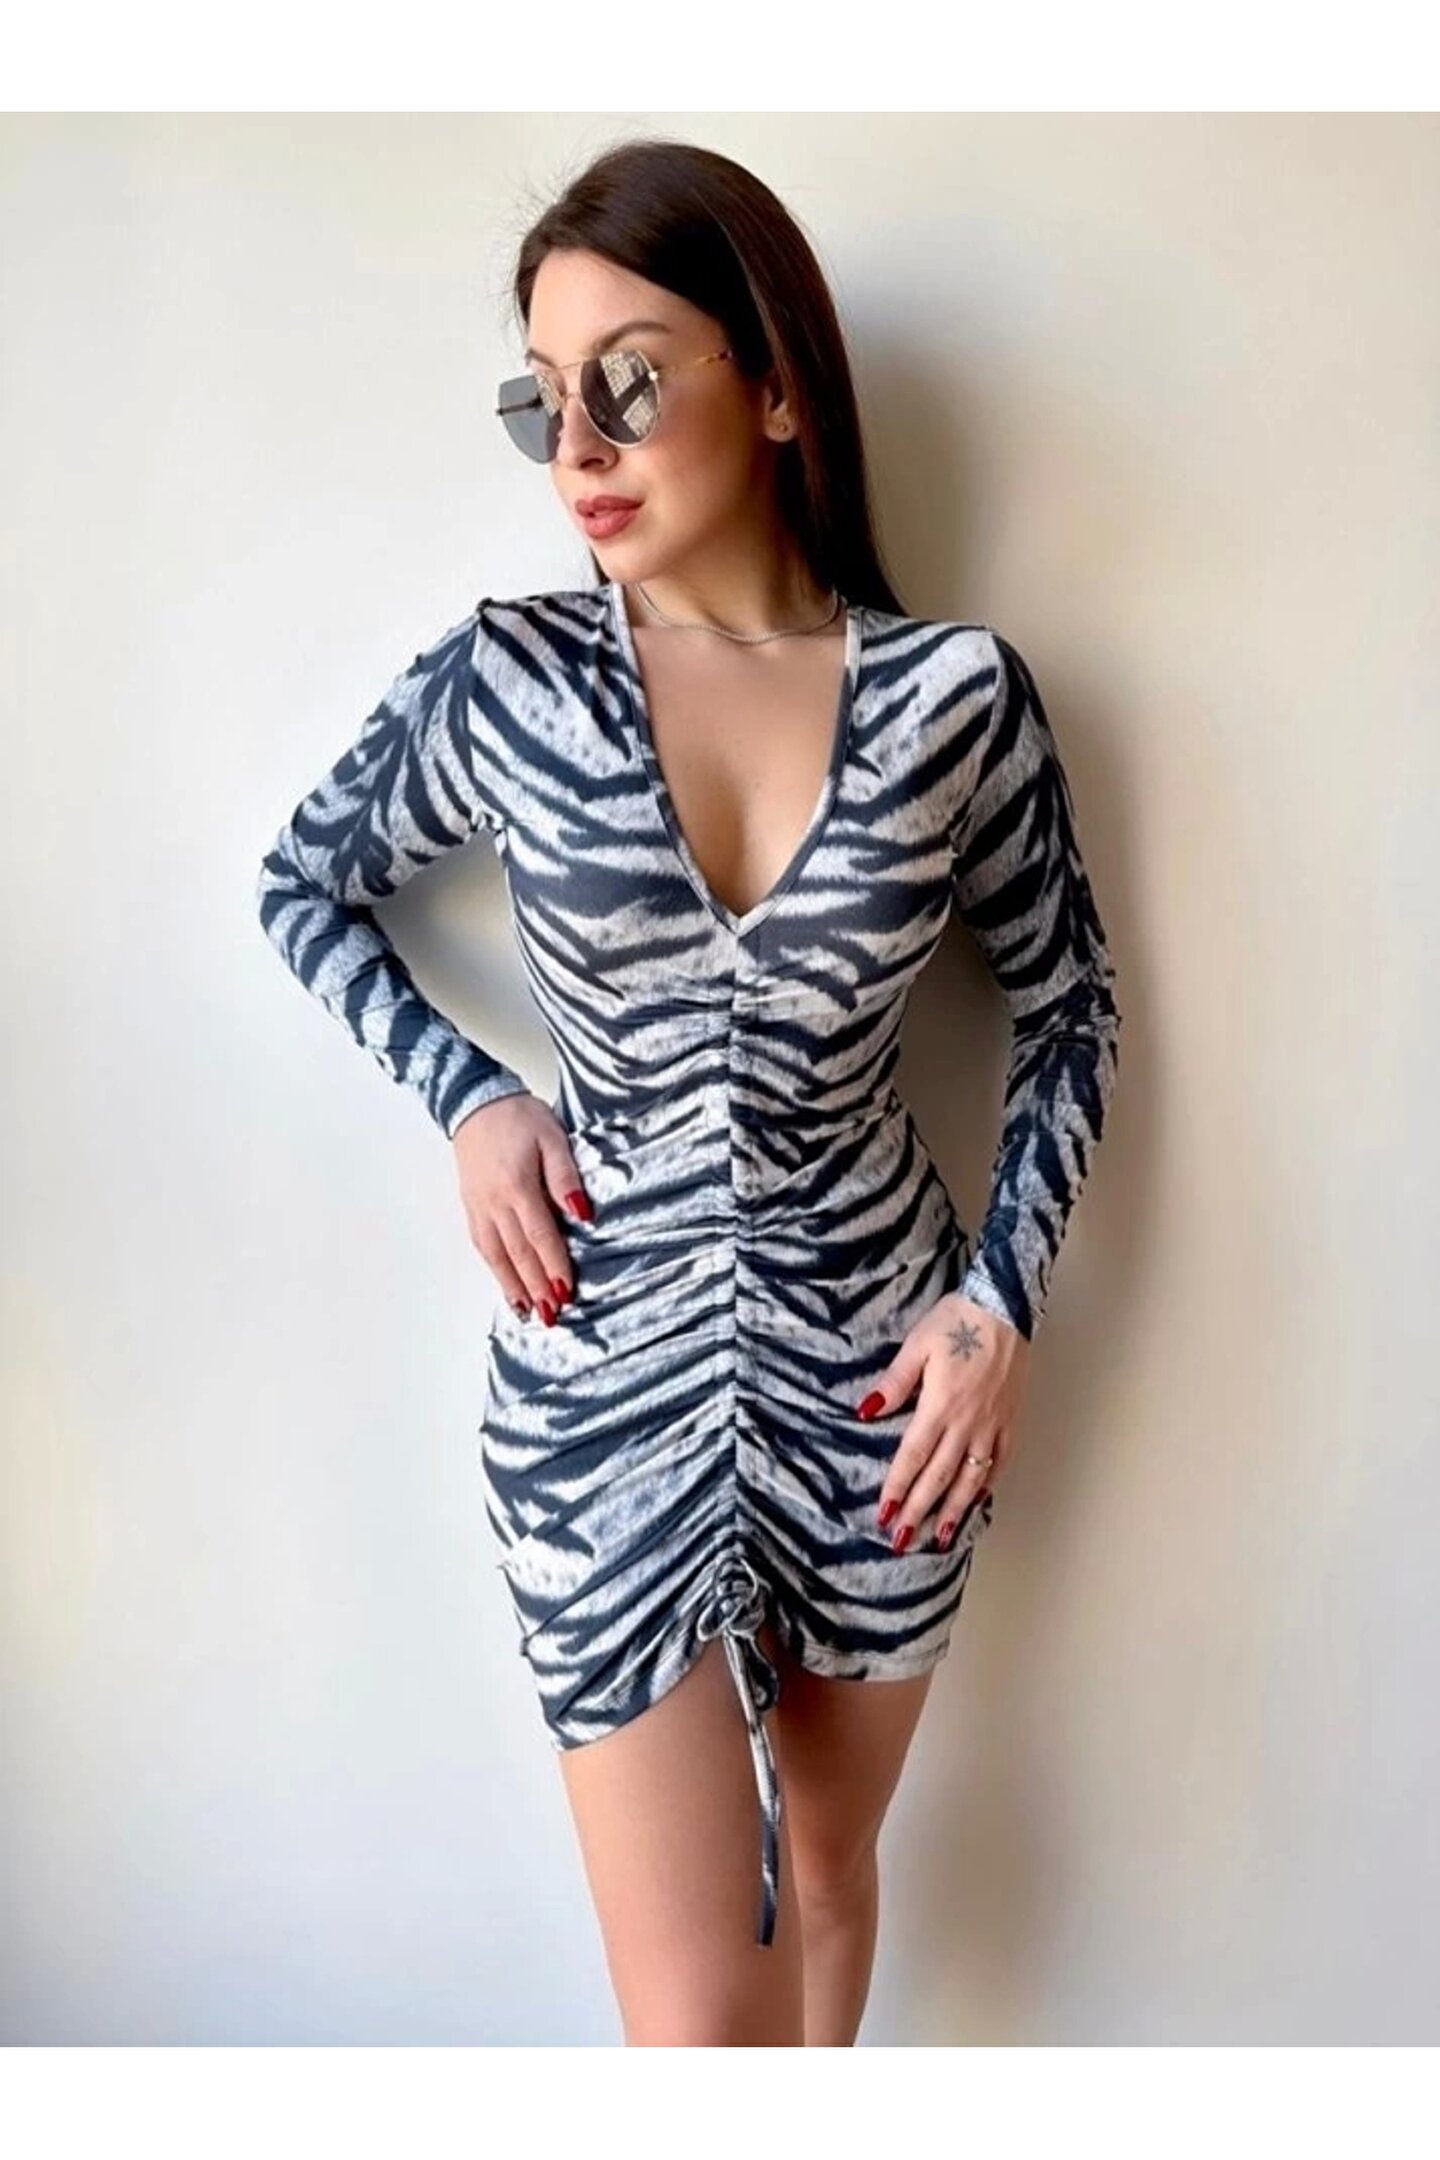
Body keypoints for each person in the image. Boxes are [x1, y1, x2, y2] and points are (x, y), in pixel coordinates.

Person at [255, 136, 1122, 2046]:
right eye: (542, 400)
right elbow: (302, 884)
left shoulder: (957, 701)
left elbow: (1070, 1008)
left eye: (630, 381)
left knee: (833, 1874)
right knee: (697, 2031)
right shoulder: (511, 682)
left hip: (885, 1396)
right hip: (600, 1391)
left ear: (779, 386)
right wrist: (472, 1097)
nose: (578, 445)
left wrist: (998, 1310)